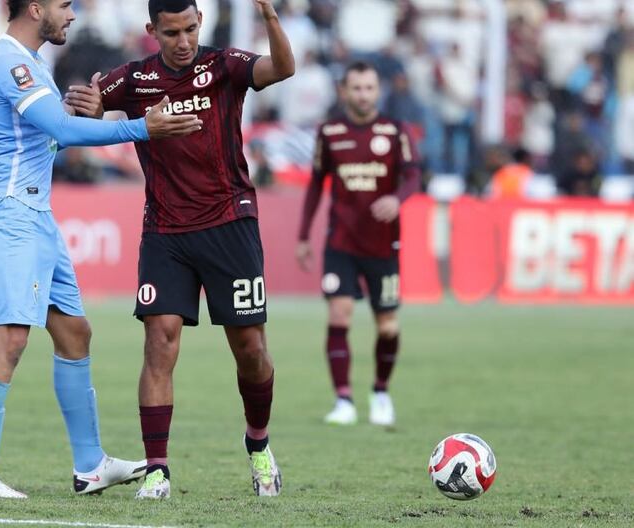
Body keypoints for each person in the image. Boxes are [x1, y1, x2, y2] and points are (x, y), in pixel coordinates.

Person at [0, 0, 202, 500]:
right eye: (65, 5)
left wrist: (73, 111)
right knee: (9, 342)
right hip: (8, 215)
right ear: (35, 7)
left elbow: (50, 135)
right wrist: (141, 127)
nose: (71, 14)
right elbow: (63, 133)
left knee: (74, 332)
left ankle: (91, 465)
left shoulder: (34, 63)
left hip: (35, 217)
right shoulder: (11, 61)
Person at [65, 0, 294, 499]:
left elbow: (283, 68)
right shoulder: (135, 80)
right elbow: (89, 111)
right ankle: (157, 470)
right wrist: (81, 102)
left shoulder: (224, 66)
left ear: (200, 24)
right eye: (171, 33)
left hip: (231, 225)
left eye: (190, 29)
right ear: (153, 30)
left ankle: (258, 445)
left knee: (250, 349)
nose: (184, 41)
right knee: (160, 342)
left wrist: (272, 21)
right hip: (165, 232)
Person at [295, 62, 421, 428]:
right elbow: (317, 185)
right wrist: (304, 236)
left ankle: (381, 392)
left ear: (377, 91)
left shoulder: (395, 131)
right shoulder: (330, 132)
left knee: (387, 326)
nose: (363, 94)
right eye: (357, 88)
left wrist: (398, 199)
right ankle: (343, 400)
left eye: (369, 87)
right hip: (341, 242)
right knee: (339, 315)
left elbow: (413, 174)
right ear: (344, 92)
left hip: (383, 244)